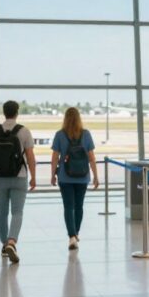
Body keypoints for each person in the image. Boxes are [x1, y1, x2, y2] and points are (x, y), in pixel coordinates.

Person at [0, 100, 36, 264]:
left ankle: (4, 243)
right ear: (17, 112)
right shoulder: (24, 131)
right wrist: (33, 176)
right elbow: (30, 156)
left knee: (2, 211)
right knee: (17, 212)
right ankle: (12, 241)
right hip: (19, 176)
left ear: (4, 112)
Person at [50, 107, 99, 250]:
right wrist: (96, 175)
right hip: (83, 176)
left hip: (65, 177)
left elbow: (54, 158)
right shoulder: (86, 134)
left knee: (68, 207)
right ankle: (75, 233)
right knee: (79, 206)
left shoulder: (60, 135)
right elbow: (91, 157)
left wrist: (53, 174)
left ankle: (71, 236)